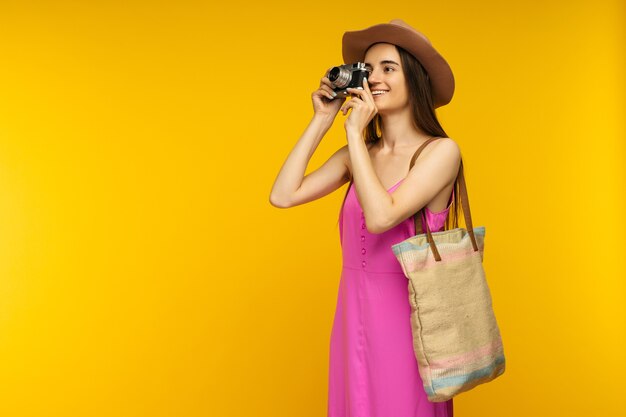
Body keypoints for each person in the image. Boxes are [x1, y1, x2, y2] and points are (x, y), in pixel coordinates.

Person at [270, 19, 460, 417]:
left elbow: (380, 218)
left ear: (415, 80)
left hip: (409, 325)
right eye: (368, 68)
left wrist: (355, 135)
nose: (374, 78)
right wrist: (324, 119)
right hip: (352, 312)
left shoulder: (441, 152)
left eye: (389, 68)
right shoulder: (361, 154)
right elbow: (282, 195)